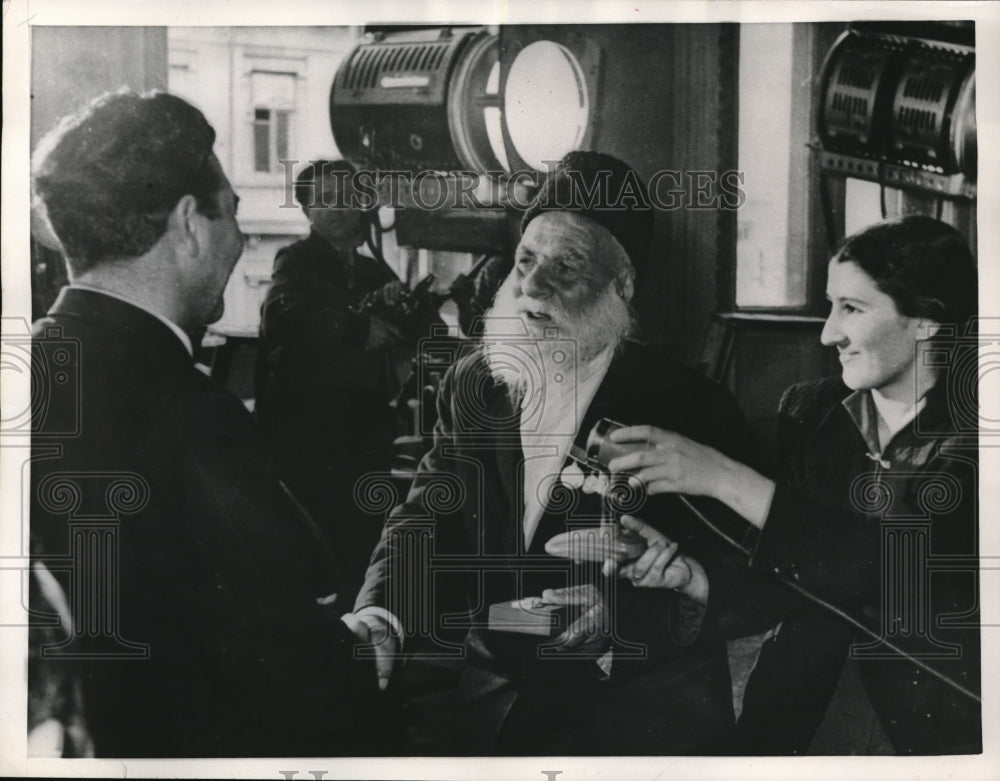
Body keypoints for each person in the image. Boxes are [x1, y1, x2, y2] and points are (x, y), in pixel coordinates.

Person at [346, 151, 757, 755]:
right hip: (488, 708)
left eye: (566, 268)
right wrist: (383, 613)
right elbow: (427, 517)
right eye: (525, 262)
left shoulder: (691, 408)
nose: (533, 288)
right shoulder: (475, 382)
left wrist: (623, 615)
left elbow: (739, 575)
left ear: (621, 286)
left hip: (636, 719)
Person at [28, 91, 391, 757]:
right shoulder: (192, 414)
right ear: (191, 223)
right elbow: (292, 663)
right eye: (232, 210)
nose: (240, 236)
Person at [606, 216, 980, 754]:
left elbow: (895, 570)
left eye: (852, 308)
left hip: (930, 727)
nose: (829, 333)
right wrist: (692, 578)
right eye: (831, 306)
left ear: (925, 320)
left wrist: (725, 477)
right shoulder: (812, 410)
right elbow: (790, 577)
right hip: (802, 714)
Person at [254, 159, 438, 603]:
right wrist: (360, 329)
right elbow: (282, 316)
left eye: (349, 198)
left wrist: (411, 308)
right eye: (326, 199)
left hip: (363, 431)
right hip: (306, 434)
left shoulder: (374, 271)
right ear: (307, 211)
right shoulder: (295, 261)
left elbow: (425, 330)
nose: (339, 208)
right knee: (311, 551)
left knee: (361, 544)